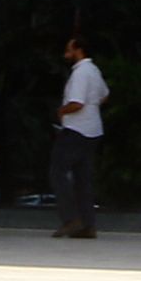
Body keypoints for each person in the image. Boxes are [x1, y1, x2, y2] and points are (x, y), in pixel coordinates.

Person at [49, 33, 107, 237]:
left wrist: (61, 111)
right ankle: (88, 224)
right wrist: (92, 109)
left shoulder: (80, 73)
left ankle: (70, 218)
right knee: (83, 178)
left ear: (77, 49)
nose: (67, 52)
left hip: (76, 129)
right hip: (93, 130)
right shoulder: (94, 70)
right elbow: (104, 94)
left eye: (69, 48)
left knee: (57, 171)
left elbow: (77, 102)